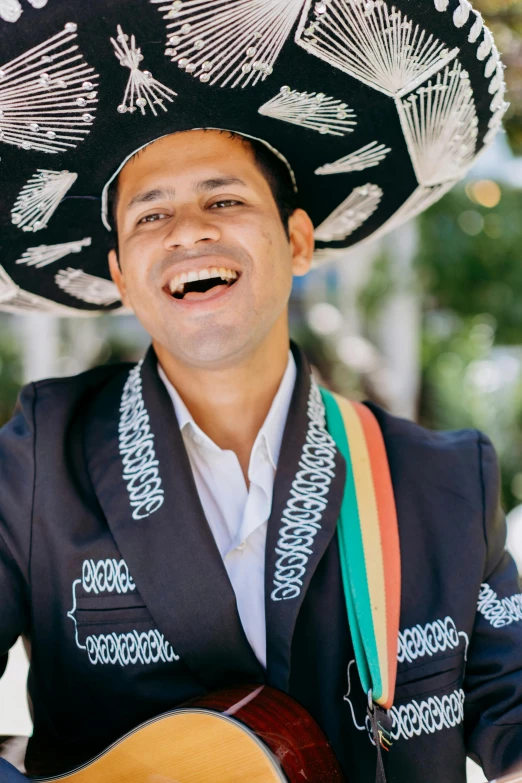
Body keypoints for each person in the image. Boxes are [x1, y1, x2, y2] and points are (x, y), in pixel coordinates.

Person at [0, 1, 521, 781]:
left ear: (299, 240)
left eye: (225, 200)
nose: (187, 232)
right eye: (151, 216)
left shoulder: (441, 482)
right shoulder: (39, 461)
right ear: (120, 278)